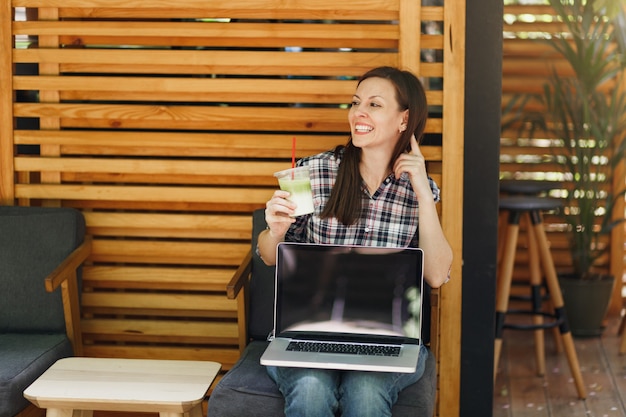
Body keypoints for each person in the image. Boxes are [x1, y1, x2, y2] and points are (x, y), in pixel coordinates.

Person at [257, 66, 453, 417]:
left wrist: (424, 194)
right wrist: (275, 231)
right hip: (309, 331)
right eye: (355, 102)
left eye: (374, 105)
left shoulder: (419, 189)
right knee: (312, 389)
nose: (358, 112)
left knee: (364, 393)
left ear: (403, 119)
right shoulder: (314, 173)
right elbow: (270, 257)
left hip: (388, 339)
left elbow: (437, 276)